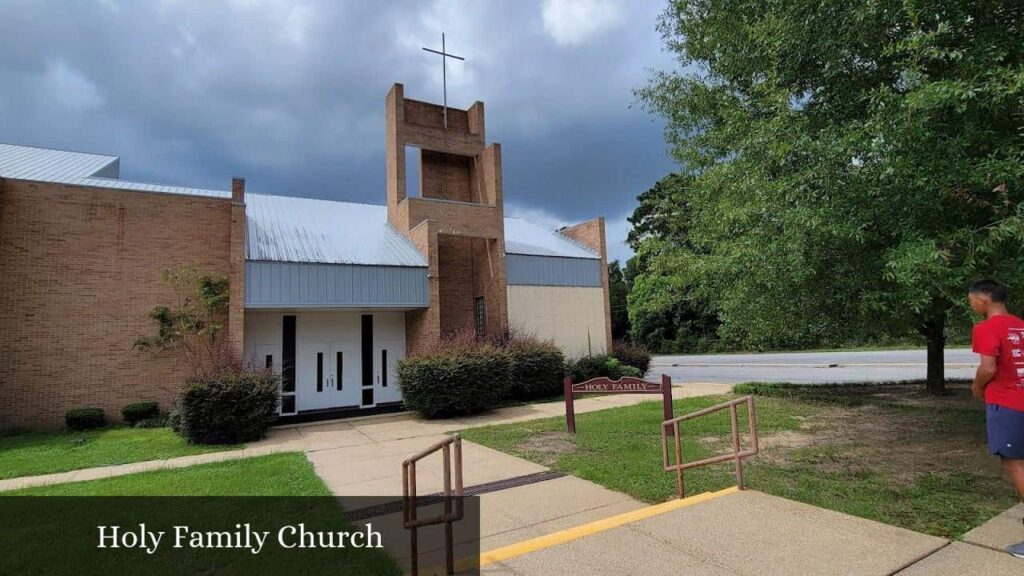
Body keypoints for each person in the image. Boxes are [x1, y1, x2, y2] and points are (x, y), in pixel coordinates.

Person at [969, 279, 1024, 558]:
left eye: (972, 300)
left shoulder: (986, 328)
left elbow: (988, 368)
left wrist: (977, 387)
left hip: (1007, 403)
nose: (972, 304)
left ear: (984, 300)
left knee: (1015, 464)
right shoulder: (1020, 324)